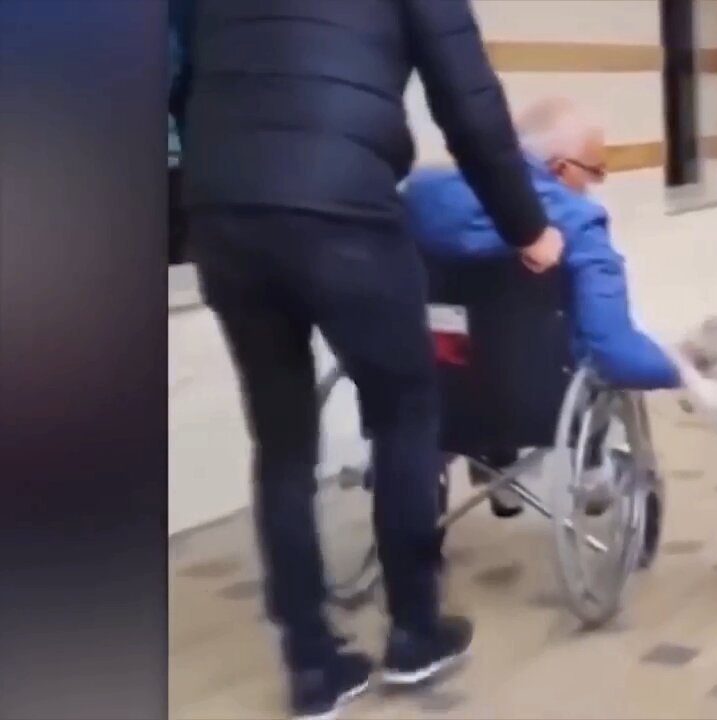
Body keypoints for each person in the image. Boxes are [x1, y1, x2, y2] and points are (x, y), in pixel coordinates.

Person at [176, 1, 565, 718]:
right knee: (406, 414)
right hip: (343, 205)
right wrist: (527, 225)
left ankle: (311, 666)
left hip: (224, 210)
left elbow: (173, 74)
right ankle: (417, 631)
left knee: (282, 440)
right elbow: (469, 101)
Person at [402, 97, 681, 516]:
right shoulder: (580, 222)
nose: (594, 185)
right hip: (538, 396)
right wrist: (688, 368)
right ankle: (590, 471)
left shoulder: (418, 197)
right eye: (595, 171)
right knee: (590, 355)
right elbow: (616, 352)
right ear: (560, 169)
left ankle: (493, 463)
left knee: (470, 339)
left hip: (434, 385)